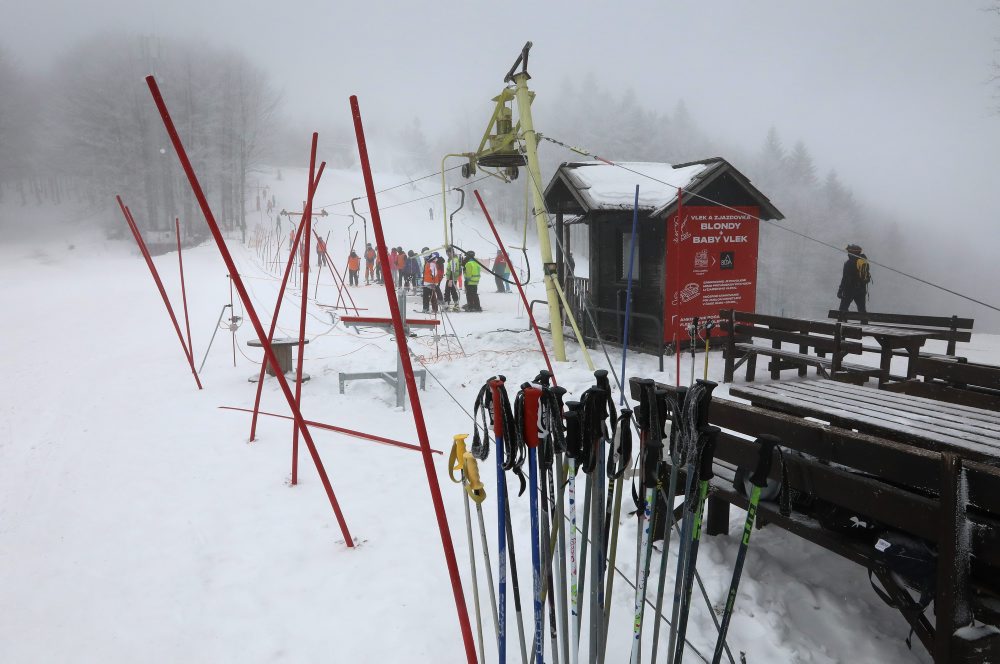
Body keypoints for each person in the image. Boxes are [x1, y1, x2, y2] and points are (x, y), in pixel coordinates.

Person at [837, 243, 870, 313]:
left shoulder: (848, 263)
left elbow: (845, 278)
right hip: (861, 290)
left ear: (851, 252)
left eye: (848, 251)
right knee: (862, 310)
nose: (847, 253)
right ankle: (864, 323)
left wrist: (840, 290)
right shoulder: (863, 261)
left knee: (842, 309)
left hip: (849, 289)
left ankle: (842, 322)